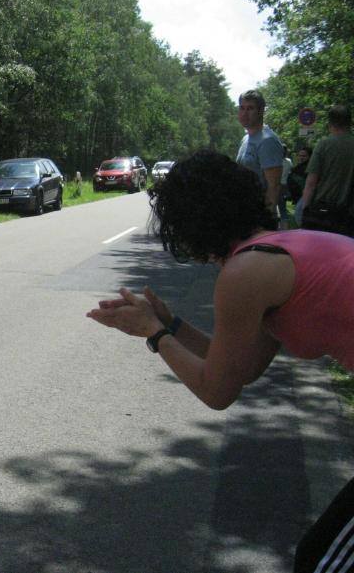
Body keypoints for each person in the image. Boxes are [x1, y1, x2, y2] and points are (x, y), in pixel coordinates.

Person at [86, 150, 354, 573]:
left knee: (324, 562)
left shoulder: (247, 272)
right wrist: (171, 324)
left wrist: (152, 333)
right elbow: (240, 368)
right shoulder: (273, 252)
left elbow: (218, 392)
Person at [299, 105, 354, 237]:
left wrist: (305, 209)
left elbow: (311, 183)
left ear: (329, 124)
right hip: (349, 213)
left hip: (323, 212)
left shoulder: (323, 145)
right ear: (350, 123)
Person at [235, 90, 284, 218]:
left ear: (261, 111)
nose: (244, 113)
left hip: (259, 215)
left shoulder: (267, 141)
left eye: (250, 108)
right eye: (242, 108)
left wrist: (265, 220)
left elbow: (274, 186)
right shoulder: (246, 139)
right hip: (244, 211)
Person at [279, 144, 293, 230]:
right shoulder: (289, 161)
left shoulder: (276, 162)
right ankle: (285, 229)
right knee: (283, 208)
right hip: (285, 186)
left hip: (277, 185)